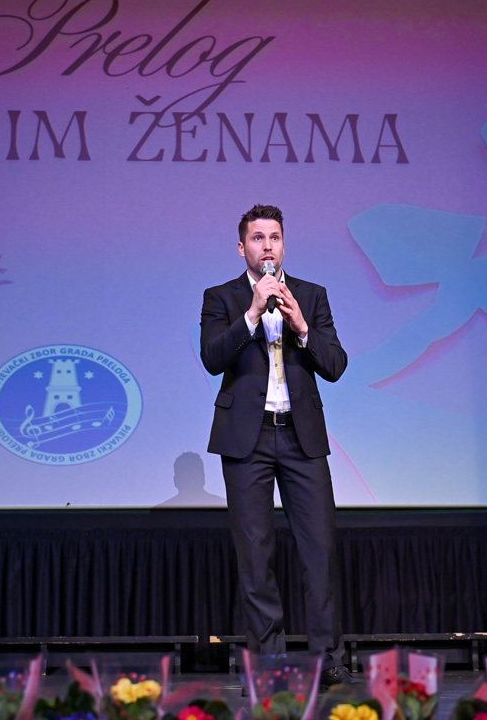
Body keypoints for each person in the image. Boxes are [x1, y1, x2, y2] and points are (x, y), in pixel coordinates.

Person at [199, 204, 356, 686]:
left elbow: (336, 365)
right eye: (258, 238)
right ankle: (269, 665)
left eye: (275, 237)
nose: (267, 246)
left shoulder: (311, 295)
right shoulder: (221, 297)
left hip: (300, 437)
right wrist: (251, 314)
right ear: (241, 247)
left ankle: (328, 660)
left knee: (319, 552)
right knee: (255, 556)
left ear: (283, 244)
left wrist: (303, 327)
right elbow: (212, 358)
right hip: (246, 440)